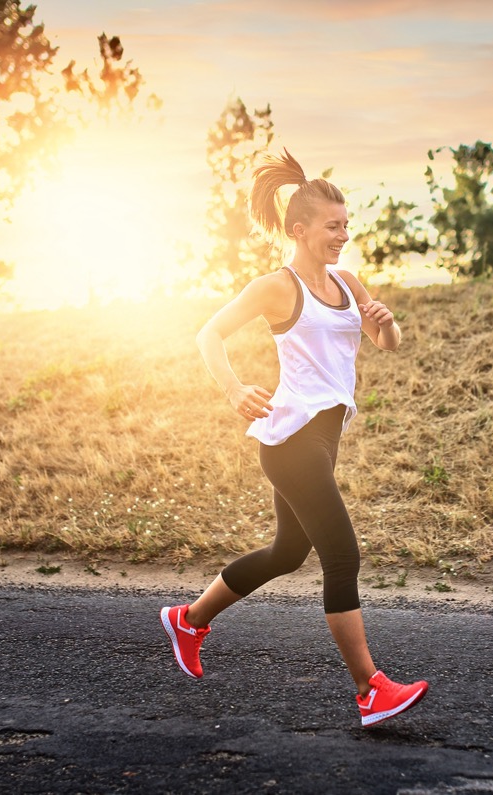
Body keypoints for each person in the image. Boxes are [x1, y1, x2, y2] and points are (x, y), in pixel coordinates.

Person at [160, 149, 428, 727]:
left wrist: (384, 323)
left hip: (325, 437)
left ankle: (190, 619)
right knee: (342, 556)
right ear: (300, 230)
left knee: (288, 552)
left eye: (346, 224)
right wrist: (233, 391)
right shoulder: (275, 288)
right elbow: (209, 334)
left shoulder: (348, 281)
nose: (343, 235)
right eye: (333, 226)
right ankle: (369, 690)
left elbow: (389, 345)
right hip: (292, 440)